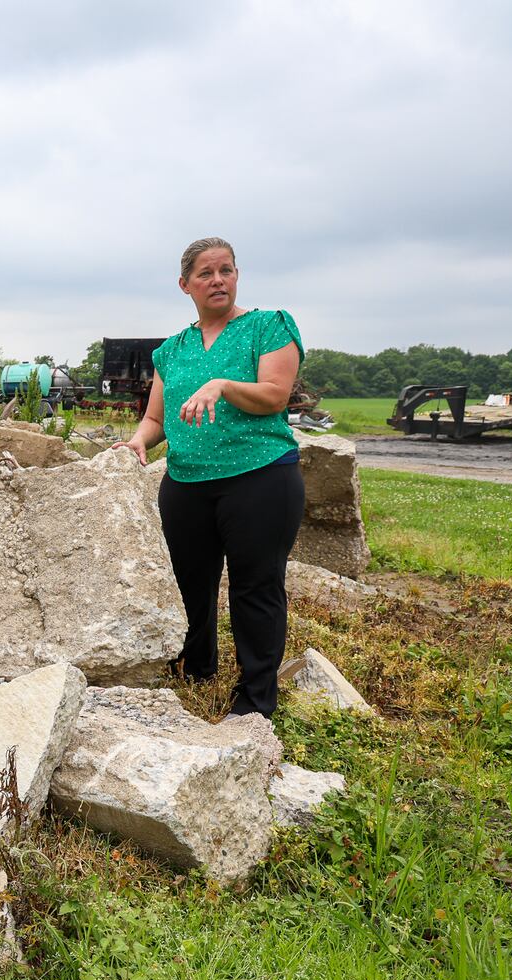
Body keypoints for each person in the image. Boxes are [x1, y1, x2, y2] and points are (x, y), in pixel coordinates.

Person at [119, 238, 304, 717]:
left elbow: (274, 395)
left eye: (226, 270)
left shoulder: (268, 326)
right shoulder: (171, 351)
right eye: (205, 273)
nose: (217, 280)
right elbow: (157, 419)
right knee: (189, 584)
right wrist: (140, 440)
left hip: (259, 477)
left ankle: (255, 698)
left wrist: (221, 384)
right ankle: (194, 669)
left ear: (237, 276)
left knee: (255, 587)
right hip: (185, 483)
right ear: (185, 285)